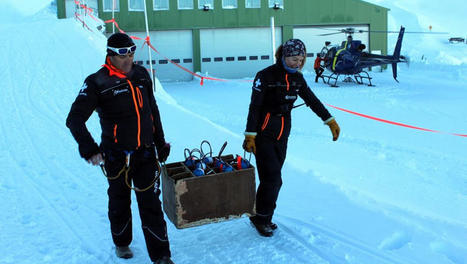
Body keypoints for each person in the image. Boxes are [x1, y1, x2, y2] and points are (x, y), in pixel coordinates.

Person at [66, 33, 175, 264]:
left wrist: (160, 142)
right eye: (123, 56)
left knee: (151, 203)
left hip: (145, 152)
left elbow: (152, 111)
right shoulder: (97, 82)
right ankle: (122, 243)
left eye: (132, 54)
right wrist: (90, 149)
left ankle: (162, 256)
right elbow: (74, 119)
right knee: (119, 200)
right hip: (116, 155)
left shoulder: (142, 75)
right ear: (111, 55)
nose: (129, 60)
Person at [242, 39, 340, 237]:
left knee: (271, 178)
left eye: (301, 59)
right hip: (263, 134)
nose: (298, 63)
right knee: (273, 180)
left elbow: (312, 100)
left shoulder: (298, 79)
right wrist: (250, 135)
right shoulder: (265, 76)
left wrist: (329, 120)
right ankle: (262, 219)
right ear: (284, 56)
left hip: (283, 134)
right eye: (294, 59)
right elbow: (255, 107)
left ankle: (261, 214)